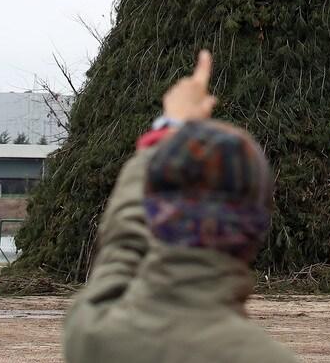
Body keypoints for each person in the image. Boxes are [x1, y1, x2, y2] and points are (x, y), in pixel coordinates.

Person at [63, 50, 297, 363]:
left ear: (156, 214)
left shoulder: (93, 333)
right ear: (256, 227)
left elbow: (125, 239)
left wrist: (169, 133)